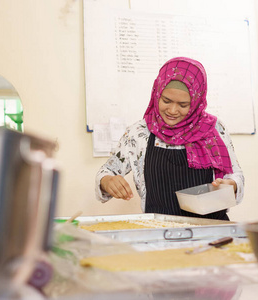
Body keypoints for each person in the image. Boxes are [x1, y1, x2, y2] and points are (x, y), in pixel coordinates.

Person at [95, 57, 244, 220]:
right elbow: (106, 172)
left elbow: (235, 174)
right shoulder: (139, 133)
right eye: (166, 101)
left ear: (196, 102)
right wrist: (107, 181)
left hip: (211, 230)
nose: (172, 110)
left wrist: (232, 185)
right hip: (160, 231)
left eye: (183, 105)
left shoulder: (213, 129)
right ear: (156, 93)